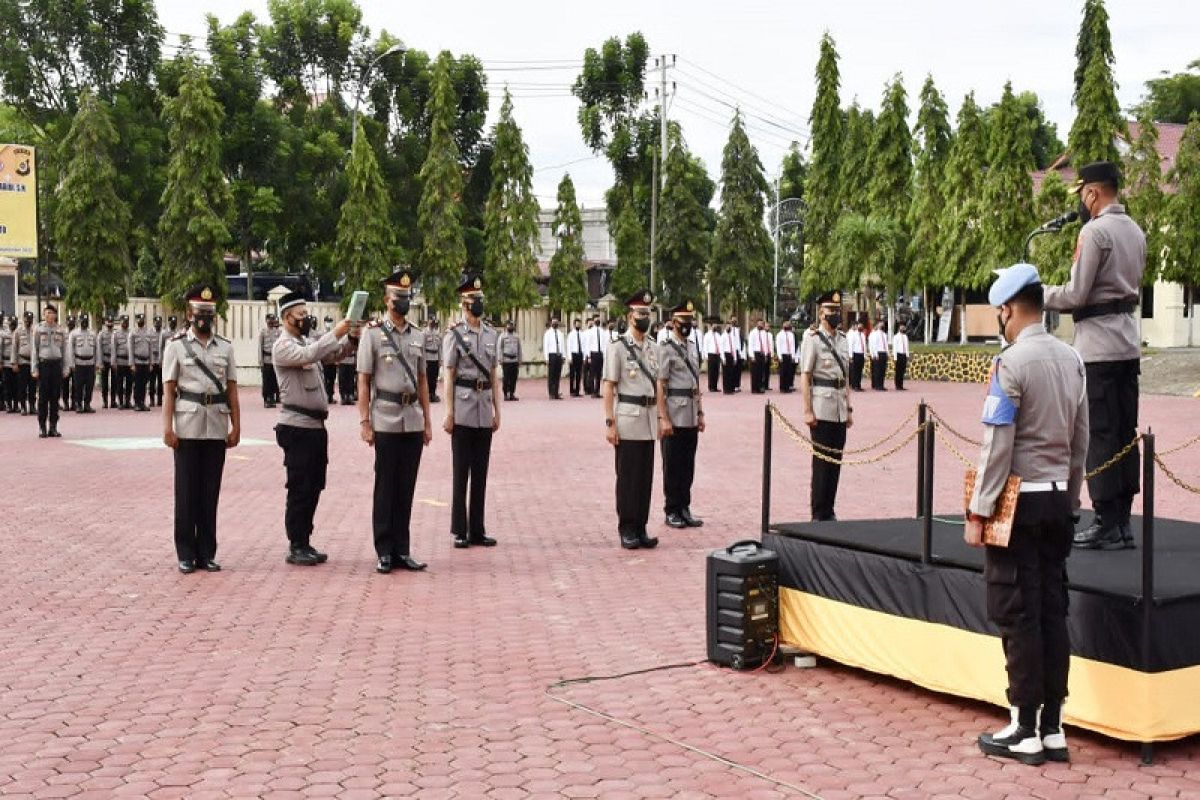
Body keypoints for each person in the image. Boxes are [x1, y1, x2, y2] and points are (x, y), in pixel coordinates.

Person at [968, 263, 1088, 766]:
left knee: (1018, 612)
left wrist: (979, 508)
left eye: (1000, 311)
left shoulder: (1011, 364)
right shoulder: (1072, 358)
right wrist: (1074, 495)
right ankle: (1054, 726)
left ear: (1010, 309)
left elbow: (999, 444)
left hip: (1019, 505)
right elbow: (1081, 439)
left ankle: (1023, 728)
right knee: (1052, 611)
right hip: (1059, 500)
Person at [1043, 161, 1146, 551]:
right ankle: (1122, 520)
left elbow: (1076, 294)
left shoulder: (1095, 231)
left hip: (1097, 347)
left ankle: (1104, 519)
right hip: (1126, 343)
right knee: (1124, 432)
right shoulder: (1136, 231)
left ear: (1092, 193)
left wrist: (1037, 293)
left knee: (1099, 434)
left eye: (1083, 194)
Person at [273, 293, 358, 566]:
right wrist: (337, 331)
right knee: (299, 486)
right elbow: (311, 354)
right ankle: (296, 543)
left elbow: (333, 354)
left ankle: (305, 540)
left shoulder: (305, 341)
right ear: (287, 318)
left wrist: (352, 337)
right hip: (296, 427)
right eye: (300, 314)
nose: (305, 318)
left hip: (315, 427)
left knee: (314, 485)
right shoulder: (283, 346)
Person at [357, 269, 432, 574]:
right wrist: (365, 421)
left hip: (412, 418)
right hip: (385, 418)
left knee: (406, 487)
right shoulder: (372, 334)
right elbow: (363, 381)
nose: (404, 301)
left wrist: (427, 421)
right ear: (387, 300)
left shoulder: (418, 335)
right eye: (399, 297)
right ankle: (384, 549)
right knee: (386, 486)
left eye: (407, 297)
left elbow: (424, 381)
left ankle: (402, 549)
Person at [162, 285, 241, 574]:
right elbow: (169, 390)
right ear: (189, 314)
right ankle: (185, 552)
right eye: (200, 313)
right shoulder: (176, 346)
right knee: (186, 494)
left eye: (209, 313)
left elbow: (232, 389)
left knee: (210, 493)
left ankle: (207, 552)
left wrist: (236, 426)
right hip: (187, 427)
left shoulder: (226, 347)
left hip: (216, 425)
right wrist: (167, 428)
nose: (205, 318)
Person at [442, 273, 502, 549]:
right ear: (463, 302)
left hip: (484, 406)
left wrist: (497, 411)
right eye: (473, 299)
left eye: (480, 298)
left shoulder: (492, 334)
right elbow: (449, 375)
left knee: (481, 471)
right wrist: (449, 412)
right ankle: (460, 529)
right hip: (464, 407)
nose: (478, 302)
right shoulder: (454, 334)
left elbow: (493, 374)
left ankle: (477, 528)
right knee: (461, 471)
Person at [604, 290, 660, 549]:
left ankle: (641, 527)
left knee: (645, 478)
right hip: (627, 419)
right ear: (630, 316)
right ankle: (627, 527)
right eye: (641, 314)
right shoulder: (617, 347)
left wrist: (660, 417)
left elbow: (658, 385)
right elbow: (609, 386)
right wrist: (609, 422)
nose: (645, 318)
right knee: (627, 478)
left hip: (648, 420)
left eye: (648, 314)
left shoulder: (654, 347)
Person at [799, 291, 853, 521]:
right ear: (821, 313)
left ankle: (829, 509)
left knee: (835, 462)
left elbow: (846, 377)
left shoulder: (843, 339)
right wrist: (807, 409)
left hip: (839, 407)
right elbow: (805, 376)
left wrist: (849, 409)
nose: (834, 314)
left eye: (836, 310)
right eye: (830, 310)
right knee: (822, 463)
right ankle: (819, 513)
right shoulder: (812, 339)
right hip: (821, 407)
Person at [657, 301, 705, 530]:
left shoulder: (693, 347)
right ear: (674, 323)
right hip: (674, 412)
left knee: (688, 464)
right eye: (683, 322)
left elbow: (696, 382)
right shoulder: (666, 348)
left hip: (691, 413)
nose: (687, 326)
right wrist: (663, 417)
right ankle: (672, 509)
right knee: (673, 464)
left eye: (690, 322)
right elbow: (661, 384)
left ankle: (685, 507)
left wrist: (701, 412)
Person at [31, 304, 67, 438]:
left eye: (50, 313)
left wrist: (65, 367)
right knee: (43, 398)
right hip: (44, 365)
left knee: (55, 397)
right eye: (46, 313)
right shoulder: (38, 329)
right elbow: (35, 350)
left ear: (55, 315)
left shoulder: (60, 329)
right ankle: (42, 427)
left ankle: (53, 426)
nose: (48, 315)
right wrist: (34, 368)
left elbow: (64, 350)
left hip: (56, 365)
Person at [66, 313, 98, 413]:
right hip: (78, 363)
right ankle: (78, 404)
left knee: (89, 385)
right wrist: (71, 364)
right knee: (78, 386)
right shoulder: (74, 334)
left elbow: (96, 350)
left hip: (90, 363)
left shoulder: (93, 334)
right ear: (79, 322)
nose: (84, 323)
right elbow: (70, 350)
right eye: (82, 321)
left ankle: (87, 404)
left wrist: (97, 363)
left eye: (86, 321)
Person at [129, 312, 154, 411]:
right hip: (137, 362)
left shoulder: (149, 333)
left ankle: (142, 402)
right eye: (139, 320)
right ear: (136, 321)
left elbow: (151, 348)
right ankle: (137, 403)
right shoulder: (133, 333)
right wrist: (132, 364)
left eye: (142, 320)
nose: (141, 321)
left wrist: (151, 363)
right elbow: (130, 349)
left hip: (146, 362)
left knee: (144, 383)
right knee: (137, 384)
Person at [12, 311, 35, 415]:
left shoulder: (35, 330)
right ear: (23, 318)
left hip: (33, 362)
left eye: (30, 319)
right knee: (22, 386)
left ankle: (32, 406)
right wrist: (14, 363)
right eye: (26, 319)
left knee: (33, 386)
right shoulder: (18, 331)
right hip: (22, 361)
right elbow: (14, 347)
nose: (28, 321)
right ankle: (23, 407)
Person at [257, 313, 281, 408]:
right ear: (266, 321)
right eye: (269, 320)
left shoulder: (278, 332)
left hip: (275, 360)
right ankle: (266, 399)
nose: (271, 322)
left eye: (272, 320)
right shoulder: (263, 332)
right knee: (266, 381)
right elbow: (260, 347)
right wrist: (260, 361)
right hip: (266, 360)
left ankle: (273, 398)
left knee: (274, 380)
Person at [748, 319, 773, 394]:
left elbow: (765, 344)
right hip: (755, 353)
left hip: (762, 354)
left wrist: (765, 355)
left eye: (762, 324)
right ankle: (754, 388)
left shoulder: (764, 333)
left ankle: (760, 387)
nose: (760, 325)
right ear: (757, 324)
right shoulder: (752, 332)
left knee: (761, 372)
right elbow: (750, 345)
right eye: (759, 324)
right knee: (755, 372)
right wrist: (752, 355)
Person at [113, 314, 132, 409]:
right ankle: (120, 402)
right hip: (120, 361)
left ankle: (127, 401)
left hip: (129, 362)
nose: (125, 323)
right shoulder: (116, 334)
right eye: (124, 322)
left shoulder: (131, 333)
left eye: (127, 322)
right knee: (119, 383)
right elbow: (114, 349)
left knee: (129, 383)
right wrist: (114, 362)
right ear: (120, 323)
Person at [541, 318, 564, 399]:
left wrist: (563, 356)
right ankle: (551, 393)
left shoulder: (560, 333)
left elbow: (562, 345)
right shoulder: (547, 333)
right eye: (554, 322)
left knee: (557, 375)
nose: (555, 323)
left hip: (559, 355)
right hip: (551, 355)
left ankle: (556, 392)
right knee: (551, 375)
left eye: (556, 322)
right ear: (551, 323)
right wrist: (546, 358)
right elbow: (545, 346)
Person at [776, 321, 798, 393]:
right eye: (786, 324)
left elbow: (792, 346)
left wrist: (793, 356)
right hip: (783, 355)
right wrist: (779, 356)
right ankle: (782, 388)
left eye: (788, 325)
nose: (787, 326)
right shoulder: (779, 335)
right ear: (782, 325)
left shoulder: (791, 334)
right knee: (783, 372)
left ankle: (787, 387)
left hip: (789, 355)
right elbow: (778, 346)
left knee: (789, 372)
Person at [320, 315, 338, 402]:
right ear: (324, 323)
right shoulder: (321, 334)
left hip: (333, 360)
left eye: (330, 322)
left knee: (332, 379)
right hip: (324, 360)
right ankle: (325, 396)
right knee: (325, 379)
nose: (329, 323)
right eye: (327, 321)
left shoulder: (334, 333)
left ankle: (330, 396)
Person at [424, 317, 442, 402]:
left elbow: (440, 347)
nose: (432, 322)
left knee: (434, 378)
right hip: (427, 358)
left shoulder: (437, 333)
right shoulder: (424, 332)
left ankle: (433, 394)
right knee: (428, 378)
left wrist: (440, 359)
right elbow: (422, 347)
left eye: (433, 321)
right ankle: (427, 395)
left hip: (435, 358)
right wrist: (423, 360)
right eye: (430, 320)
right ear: (428, 321)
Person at [868, 320, 889, 391]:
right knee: (877, 370)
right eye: (880, 324)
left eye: (882, 324)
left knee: (883, 370)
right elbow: (874, 345)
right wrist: (875, 354)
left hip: (883, 353)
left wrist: (887, 353)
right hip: (878, 353)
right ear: (877, 325)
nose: (882, 325)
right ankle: (877, 385)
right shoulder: (875, 334)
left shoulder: (884, 334)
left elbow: (886, 345)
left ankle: (881, 385)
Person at [98, 316, 115, 409]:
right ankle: (105, 401)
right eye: (108, 322)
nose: (110, 324)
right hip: (104, 359)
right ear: (105, 323)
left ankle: (113, 401)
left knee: (114, 382)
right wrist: (100, 363)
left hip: (113, 360)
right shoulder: (101, 334)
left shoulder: (115, 333)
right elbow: (99, 349)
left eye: (111, 322)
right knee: (104, 382)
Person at [567, 318, 585, 397]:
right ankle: (572, 390)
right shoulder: (571, 334)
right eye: (577, 324)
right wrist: (569, 357)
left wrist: (584, 357)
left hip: (580, 354)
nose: (578, 325)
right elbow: (569, 346)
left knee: (578, 374)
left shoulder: (582, 334)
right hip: (573, 354)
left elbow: (584, 345)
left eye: (579, 324)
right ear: (574, 325)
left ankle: (577, 391)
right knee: (572, 374)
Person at [702, 322, 723, 393]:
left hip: (717, 354)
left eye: (716, 325)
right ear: (711, 326)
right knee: (711, 371)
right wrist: (705, 355)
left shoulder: (718, 335)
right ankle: (711, 387)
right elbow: (705, 345)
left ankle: (715, 386)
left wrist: (721, 354)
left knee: (716, 371)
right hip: (711, 354)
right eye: (714, 325)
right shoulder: (707, 335)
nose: (715, 327)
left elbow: (720, 345)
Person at [61, 315, 76, 411]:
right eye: (69, 322)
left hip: (75, 362)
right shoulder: (62, 333)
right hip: (65, 362)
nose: (71, 324)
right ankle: (66, 403)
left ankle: (74, 402)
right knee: (64, 384)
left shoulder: (77, 333)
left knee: (75, 384)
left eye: (72, 322)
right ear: (66, 322)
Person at [848, 321, 867, 392]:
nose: (861, 327)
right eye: (859, 326)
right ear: (857, 326)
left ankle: (859, 385)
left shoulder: (863, 335)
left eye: (862, 326)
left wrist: (865, 355)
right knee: (855, 371)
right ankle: (855, 385)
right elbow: (851, 345)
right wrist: (851, 356)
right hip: (855, 354)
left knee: (860, 371)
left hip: (861, 354)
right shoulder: (853, 334)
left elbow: (864, 346)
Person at [0, 315, 14, 413]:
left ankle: (9, 404)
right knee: (4, 385)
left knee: (10, 384)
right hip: (3, 361)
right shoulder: (3, 333)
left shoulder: (6, 331)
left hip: (11, 362)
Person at [726, 317, 744, 392]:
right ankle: (731, 385)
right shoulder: (727, 331)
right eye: (732, 320)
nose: (734, 322)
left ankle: (737, 385)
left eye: (735, 321)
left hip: (737, 351)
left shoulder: (738, 330)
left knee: (738, 369)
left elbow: (740, 341)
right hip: (730, 351)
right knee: (731, 369)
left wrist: (740, 352)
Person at [892, 323, 910, 390]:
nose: (903, 328)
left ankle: (901, 385)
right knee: (898, 371)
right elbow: (895, 348)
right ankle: (897, 385)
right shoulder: (896, 337)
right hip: (898, 354)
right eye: (901, 327)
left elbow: (907, 346)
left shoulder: (905, 336)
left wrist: (907, 355)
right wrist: (895, 357)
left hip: (904, 355)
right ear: (899, 328)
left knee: (902, 371)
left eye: (904, 327)